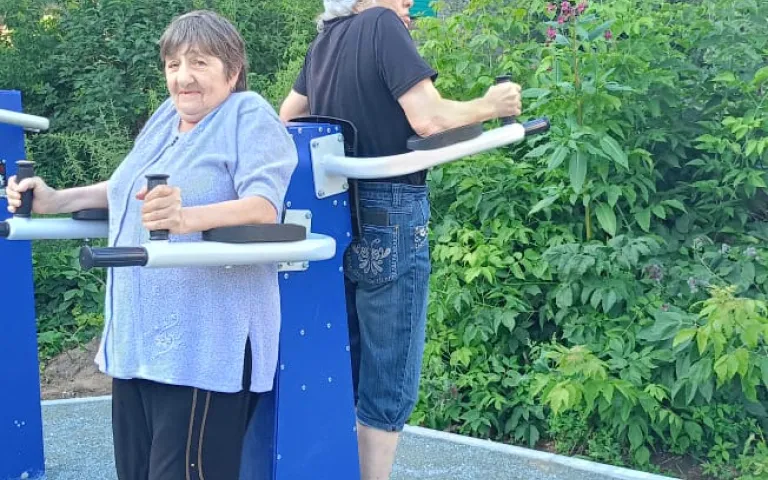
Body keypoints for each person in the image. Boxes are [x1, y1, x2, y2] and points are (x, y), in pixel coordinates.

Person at [6, 10, 297, 480]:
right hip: (139, 343)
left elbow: (264, 206)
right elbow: (126, 189)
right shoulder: (167, 118)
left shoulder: (247, 115)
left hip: (204, 347)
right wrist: (56, 200)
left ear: (232, 71)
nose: (183, 77)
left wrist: (186, 218)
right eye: (173, 64)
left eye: (199, 62)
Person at [279, 0, 522, 478]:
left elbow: (288, 118)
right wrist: (492, 106)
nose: (409, 1)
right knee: (389, 370)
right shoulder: (381, 23)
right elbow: (428, 118)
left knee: (347, 356)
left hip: (338, 210)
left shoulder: (324, 42)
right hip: (392, 209)